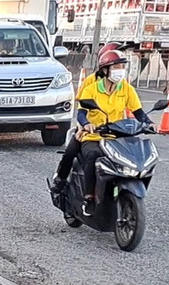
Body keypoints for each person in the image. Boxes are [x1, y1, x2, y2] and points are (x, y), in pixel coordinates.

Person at [53, 49, 152, 206]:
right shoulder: (91, 88)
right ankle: (88, 197)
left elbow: (138, 112)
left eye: (122, 67)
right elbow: (81, 113)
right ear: (105, 70)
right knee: (92, 155)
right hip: (94, 135)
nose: (120, 71)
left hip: (117, 136)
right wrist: (87, 125)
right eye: (116, 67)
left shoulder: (126, 89)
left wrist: (148, 123)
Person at [53, 42, 122, 192]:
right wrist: (82, 127)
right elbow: (82, 107)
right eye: (116, 64)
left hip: (114, 132)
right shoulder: (91, 81)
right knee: (71, 152)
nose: (120, 68)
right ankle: (61, 180)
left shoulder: (122, 85)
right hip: (88, 129)